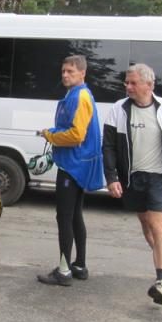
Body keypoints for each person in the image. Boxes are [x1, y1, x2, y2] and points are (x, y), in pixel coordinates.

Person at [102, 63, 162, 306]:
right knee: (146, 225)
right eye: (127, 82)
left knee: (158, 225)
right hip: (133, 178)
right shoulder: (119, 110)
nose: (128, 87)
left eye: (133, 83)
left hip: (157, 177)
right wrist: (112, 178)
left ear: (149, 84)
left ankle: (161, 281)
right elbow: (109, 147)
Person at [36, 55, 103, 287]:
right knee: (75, 216)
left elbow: (76, 135)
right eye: (63, 71)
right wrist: (52, 131)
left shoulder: (80, 96)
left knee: (64, 217)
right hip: (78, 164)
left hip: (73, 166)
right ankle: (80, 266)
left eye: (70, 71)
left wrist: (50, 135)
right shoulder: (77, 93)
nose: (65, 75)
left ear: (82, 73)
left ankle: (64, 272)